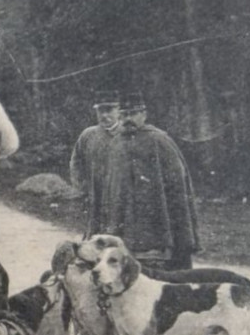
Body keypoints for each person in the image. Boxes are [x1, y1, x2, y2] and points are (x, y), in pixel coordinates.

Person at [84, 95, 199, 270]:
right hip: (122, 220)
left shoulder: (160, 140)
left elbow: (178, 184)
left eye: (134, 113)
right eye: (125, 114)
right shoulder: (115, 144)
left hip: (155, 222)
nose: (129, 119)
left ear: (144, 114)